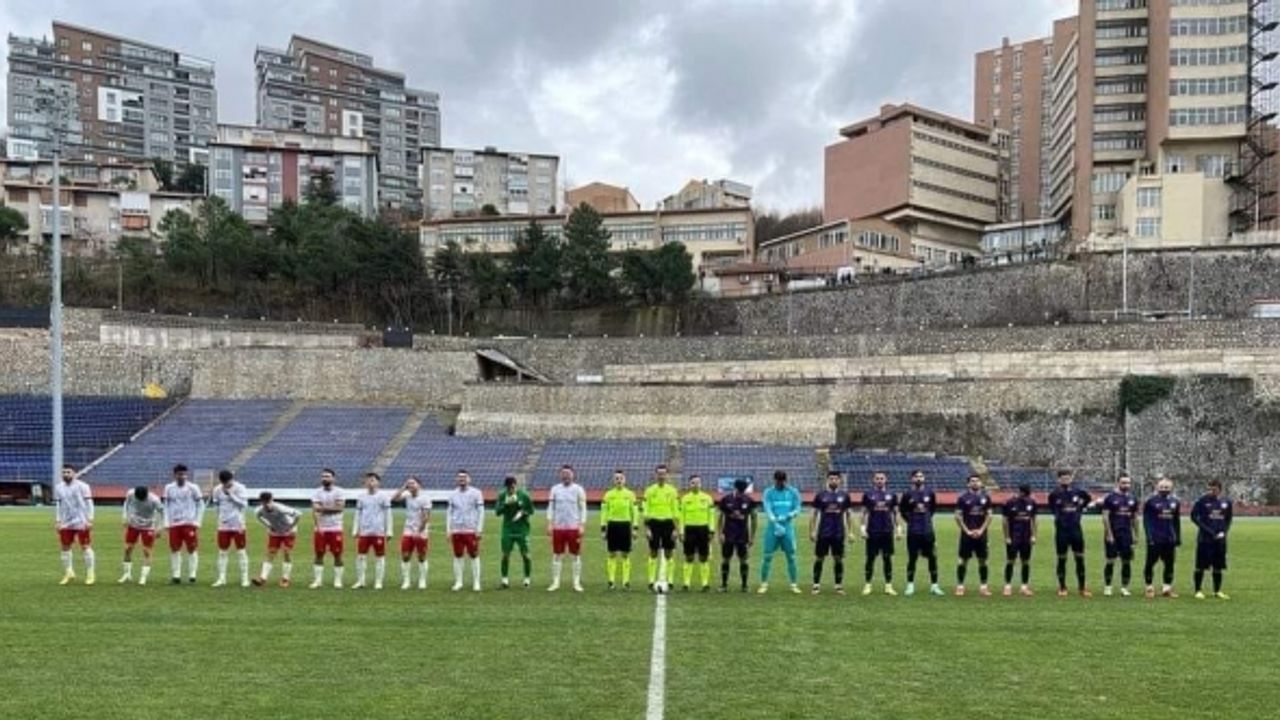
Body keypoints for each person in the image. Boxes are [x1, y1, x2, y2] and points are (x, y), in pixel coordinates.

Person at [1047, 469, 1093, 598]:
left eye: (1068, 478)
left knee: (1080, 559)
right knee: (1062, 559)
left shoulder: (1079, 492)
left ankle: (1082, 588)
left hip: (1076, 530)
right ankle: (1062, 587)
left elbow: (1087, 500)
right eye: (1063, 478)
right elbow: (1053, 508)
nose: (1065, 480)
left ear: (1071, 478)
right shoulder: (1054, 494)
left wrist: (1081, 507)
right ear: (1059, 479)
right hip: (1062, 531)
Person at [899, 470, 944, 596]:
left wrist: (926, 521)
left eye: (921, 476)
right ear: (911, 479)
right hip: (913, 532)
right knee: (912, 558)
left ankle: (934, 586)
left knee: (932, 558)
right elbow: (903, 511)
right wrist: (911, 522)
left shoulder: (930, 493)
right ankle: (910, 585)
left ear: (924, 478)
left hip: (928, 531)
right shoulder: (907, 494)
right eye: (916, 476)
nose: (919, 478)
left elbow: (933, 509)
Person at [758, 470, 803, 594]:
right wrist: (774, 520)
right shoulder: (768, 492)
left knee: (791, 556)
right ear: (774, 480)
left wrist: (790, 515)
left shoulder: (793, 492)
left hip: (787, 527)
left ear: (786, 480)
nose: (781, 483)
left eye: (782, 481)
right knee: (767, 556)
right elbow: (767, 507)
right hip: (773, 527)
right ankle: (764, 584)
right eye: (778, 481)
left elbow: (798, 507)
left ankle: (793, 584)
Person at [809, 471, 852, 594]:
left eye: (836, 479)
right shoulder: (820, 495)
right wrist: (812, 531)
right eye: (831, 478)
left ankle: (838, 585)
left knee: (838, 559)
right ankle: (816, 585)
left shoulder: (844, 496)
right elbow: (814, 514)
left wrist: (850, 532)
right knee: (819, 558)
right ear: (827, 480)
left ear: (839, 481)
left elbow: (848, 515)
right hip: (823, 533)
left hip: (838, 533)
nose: (833, 481)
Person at [1190, 479, 1233, 600]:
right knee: (1201, 566)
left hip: (1220, 540)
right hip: (1205, 539)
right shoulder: (1202, 501)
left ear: (1219, 489)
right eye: (1209, 489)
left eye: (1213, 489)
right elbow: (1194, 517)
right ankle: (1198, 590)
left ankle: (1217, 591)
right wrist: (1208, 531)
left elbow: (1228, 519)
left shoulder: (1226, 502)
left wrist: (1224, 532)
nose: (1210, 491)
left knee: (1218, 566)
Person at [547, 466, 587, 592]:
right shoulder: (555, 489)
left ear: (573, 475)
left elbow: (583, 508)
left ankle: (576, 583)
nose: (566, 476)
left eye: (568, 474)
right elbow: (550, 507)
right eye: (563, 474)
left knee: (575, 555)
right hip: (558, 527)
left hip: (573, 527)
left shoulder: (578, 489)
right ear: (560, 475)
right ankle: (555, 582)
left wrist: (582, 524)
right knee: (557, 554)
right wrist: (549, 523)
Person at [163, 464, 205, 585]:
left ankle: (192, 575)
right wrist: (166, 522)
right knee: (174, 549)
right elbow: (165, 505)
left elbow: (200, 505)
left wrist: (197, 521)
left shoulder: (193, 487)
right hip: (174, 524)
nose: (182, 477)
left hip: (189, 523)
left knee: (192, 548)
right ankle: (176, 575)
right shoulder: (169, 488)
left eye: (184, 474)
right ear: (174, 475)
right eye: (179, 474)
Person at [54, 464, 95, 586]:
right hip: (66, 522)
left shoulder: (83, 486)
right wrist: (58, 520)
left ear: (74, 473)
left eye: (68, 472)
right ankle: (69, 572)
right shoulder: (58, 487)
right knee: (65, 546)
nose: (66, 474)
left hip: (81, 521)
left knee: (85, 546)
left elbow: (89, 504)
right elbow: (58, 505)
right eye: (64, 472)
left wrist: (90, 519)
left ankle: (90, 573)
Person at [860, 471, 900, 596]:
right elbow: (864, 512)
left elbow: (896, 512)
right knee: (870, 558)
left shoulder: (892, 495)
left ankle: (888, 586)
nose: (879, 480)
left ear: (886, 480)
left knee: (887, 558)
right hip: (872, 531)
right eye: (877, 478)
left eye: (882, 478)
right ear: (874, 480)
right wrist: (862, 528)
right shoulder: (868, 495)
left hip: (887, 531)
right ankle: (868, 585)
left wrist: (898, 527)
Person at [1142, 476, 1182, 599]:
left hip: (1169, 538)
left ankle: (1166, 588)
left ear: (1171, 488)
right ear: (1157, 487)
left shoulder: (1175, 502)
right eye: (1162, 487)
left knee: (1169, 564)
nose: (1164, 489)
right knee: (1150, 563)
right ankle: (1149, 587)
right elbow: (1146, 521)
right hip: (1155, 538)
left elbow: (1176, 521)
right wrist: (1149, 536)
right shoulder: (1151, 502)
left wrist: (1178, 537)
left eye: (1167, 487)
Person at [351, 472, 393, 590]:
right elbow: (358, 513)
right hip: (364, 532)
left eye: (373, 480)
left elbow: (388, 514)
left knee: (379, 557)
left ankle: (378, 581)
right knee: (361, 556)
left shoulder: (383, 497)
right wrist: (355, 529)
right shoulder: (361, 497)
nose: (370, 482)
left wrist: (389, 530)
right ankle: (361, 580)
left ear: (378, 483)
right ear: (365, 483)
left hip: (378, 532)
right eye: (368, 480)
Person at [1100, 473, 1139, 597]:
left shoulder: (1133, 499)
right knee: (1110, 560)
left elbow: (1135, 518)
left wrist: (1136, 535)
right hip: (1113, 534)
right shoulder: (1110, 498)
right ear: (1118, 483)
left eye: (1128, 483)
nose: (1126, 485)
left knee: (1126, 561)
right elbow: (1105, 517)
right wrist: (1109, 534)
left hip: (1127, 535)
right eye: (1123, 482)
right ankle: (1108, 586)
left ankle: (1124, 587)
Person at [642, 464, 680, 592]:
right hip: (654, 524)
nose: (661, 476)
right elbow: (646, 511)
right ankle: (651, 581)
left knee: (669, 553)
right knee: (653, 552)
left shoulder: (672, 491)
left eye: (663, 473)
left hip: (668, 524)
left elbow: (676, 511)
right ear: (655, 475)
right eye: (659, 473)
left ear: (667, 475)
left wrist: (676, 529)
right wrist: (647, 528)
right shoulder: (649, 491)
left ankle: (669, 581)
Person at [446, 470, 485, 592]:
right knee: (458, 555)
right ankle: (458, 581)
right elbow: (449, 513)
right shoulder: (452, 494)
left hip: (470, 529)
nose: (461, 479)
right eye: (459, 477)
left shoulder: (476, 493)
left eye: (464, 477)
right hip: (457, 529)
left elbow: (481, 512)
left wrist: (479, 529)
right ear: (456, 480)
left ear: (469, 479)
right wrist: (449, 529)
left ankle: (476, 582)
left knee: (474, 555)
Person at [954, 474, 993, 597]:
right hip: (967, 535)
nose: (975, 483)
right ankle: (960, 586)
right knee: (962, 560)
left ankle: (983, 586)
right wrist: (967, 531)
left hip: (981, 535)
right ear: (968, 484)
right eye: (972, 481)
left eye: (977, 481)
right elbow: (957, 516)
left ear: (981, 483)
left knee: (983, 560)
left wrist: (981, 530)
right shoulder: (962, 498)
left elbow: (989, 516)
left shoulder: (986, 498)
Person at [210, 469, 250, 588]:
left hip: (238, 524)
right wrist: (220, 518)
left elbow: (244, 504)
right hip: (223, 525)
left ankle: (245, 578)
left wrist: (231, 495)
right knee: (222, 552)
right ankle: (222, 578)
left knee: (241, 551)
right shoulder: (217, 490)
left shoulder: (240, 488)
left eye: (227, 482)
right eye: (223, 483)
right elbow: (216, 505)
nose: (225, 485)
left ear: (231, 479)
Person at [600, 470, 639, 591]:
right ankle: (611, 581)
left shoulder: (630, 494)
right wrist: (603, 528)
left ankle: (626, 582)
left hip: (625, 525)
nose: (619, 480)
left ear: (624, 480)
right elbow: (604, 512)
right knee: (611, 554)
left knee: (625, 554)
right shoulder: (608, 495)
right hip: (612, 525)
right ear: (614, 480)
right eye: (616, 478)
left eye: (621, 478)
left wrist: (635, 528)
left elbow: (635, 512)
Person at [716, 478, 757, 592]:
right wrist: (720, 533)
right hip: (728, 534)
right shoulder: (726, 499)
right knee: (725, 559)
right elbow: (720, 517)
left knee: (743, 559)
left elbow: (754, 518)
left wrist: (752, 536)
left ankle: (744, 585)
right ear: (735, 488)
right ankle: (724, 585)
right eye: (740, 490)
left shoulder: (749, 500)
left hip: (742, 535)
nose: (741, 493)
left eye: (742, 491)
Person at [253, 491, 301, 587]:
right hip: (275, 532)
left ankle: (285, 579)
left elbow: (298, 514)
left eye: (268, 502)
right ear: (261, 502)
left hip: (288, 532)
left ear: (272, 500)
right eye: (264, 502)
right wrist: (268, 525)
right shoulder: (259, 510)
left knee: (287, 552)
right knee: (271, 552)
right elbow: (258, 517)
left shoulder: (280, 508)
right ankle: (262, 578)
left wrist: (291, 526)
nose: (267, 505)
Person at [392, 476, 431, 590]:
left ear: (419, 485)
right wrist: (403, 488)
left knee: (421, 556)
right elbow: (394, 499)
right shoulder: (407, 496)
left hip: (421, 531)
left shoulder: (425, 498)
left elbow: (426, 517)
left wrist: (419, 531)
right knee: (405, 555)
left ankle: (422, 580)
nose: (410, 486)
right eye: (409, 484)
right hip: (408, 529)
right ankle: (406, 580)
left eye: (413, 483)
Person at [309, 468, 346, 589]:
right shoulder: (316, 492)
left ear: (333, 478)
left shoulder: (339, 491)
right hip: (321, 528)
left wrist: (322, 509)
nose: (325, 478)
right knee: (319, 553)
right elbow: (315, 509)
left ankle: (338, 580)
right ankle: (318, 581)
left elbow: (340, 508)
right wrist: (329, 509)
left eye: (328, 476)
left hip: (335, 527)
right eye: (323, 476)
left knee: (337, 554)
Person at [678, 475, 716, 592]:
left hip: (703, 529)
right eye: (693, 483)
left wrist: (711, 530)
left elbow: (711, 516)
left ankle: (705, 584)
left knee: (703, 557)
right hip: (689, 530)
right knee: (689, 557)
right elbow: (681, 516)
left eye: (698, 482)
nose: (696, 485)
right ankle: (686, 583)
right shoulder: (685, 499)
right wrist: (681, 531)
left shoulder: (708, 498)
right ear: (690, 485)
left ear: (701, 484)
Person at [495, 475, 534, 589]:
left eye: (512, 487)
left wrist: (522, 513)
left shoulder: (524, 495)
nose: (510, 490)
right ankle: (504, 580)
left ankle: (527, 579)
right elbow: (497, 512)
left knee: (525, 555)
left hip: (522, 529)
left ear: (516, 485)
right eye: (508, 488)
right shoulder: (502, 495)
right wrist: (505, 505)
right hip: (507, 528)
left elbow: (531, 510)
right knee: (505, 554)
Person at [119, 485, 163, 585]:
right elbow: (126, 504)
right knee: (128, 548)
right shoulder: (130, 494)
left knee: (146, 551)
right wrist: (125, 517)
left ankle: (143, 577)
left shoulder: (154, 500)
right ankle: (127, 574)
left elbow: (161, 512)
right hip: (133, 524)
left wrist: (160, 527)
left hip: (148, 526)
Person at [1001, 483, 1038, 597]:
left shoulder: (1031, 502)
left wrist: (1033, 535)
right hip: (1013, 537)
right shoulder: (1010, 502)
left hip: (1026, 537)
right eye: (1024, 494)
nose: (1026, 496)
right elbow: (1005, 521)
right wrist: (1007, 536)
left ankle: (1024, 586)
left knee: (1025, 561)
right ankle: (1007, 586)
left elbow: (1034, 520)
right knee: (1010, 561)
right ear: (1020, 492)